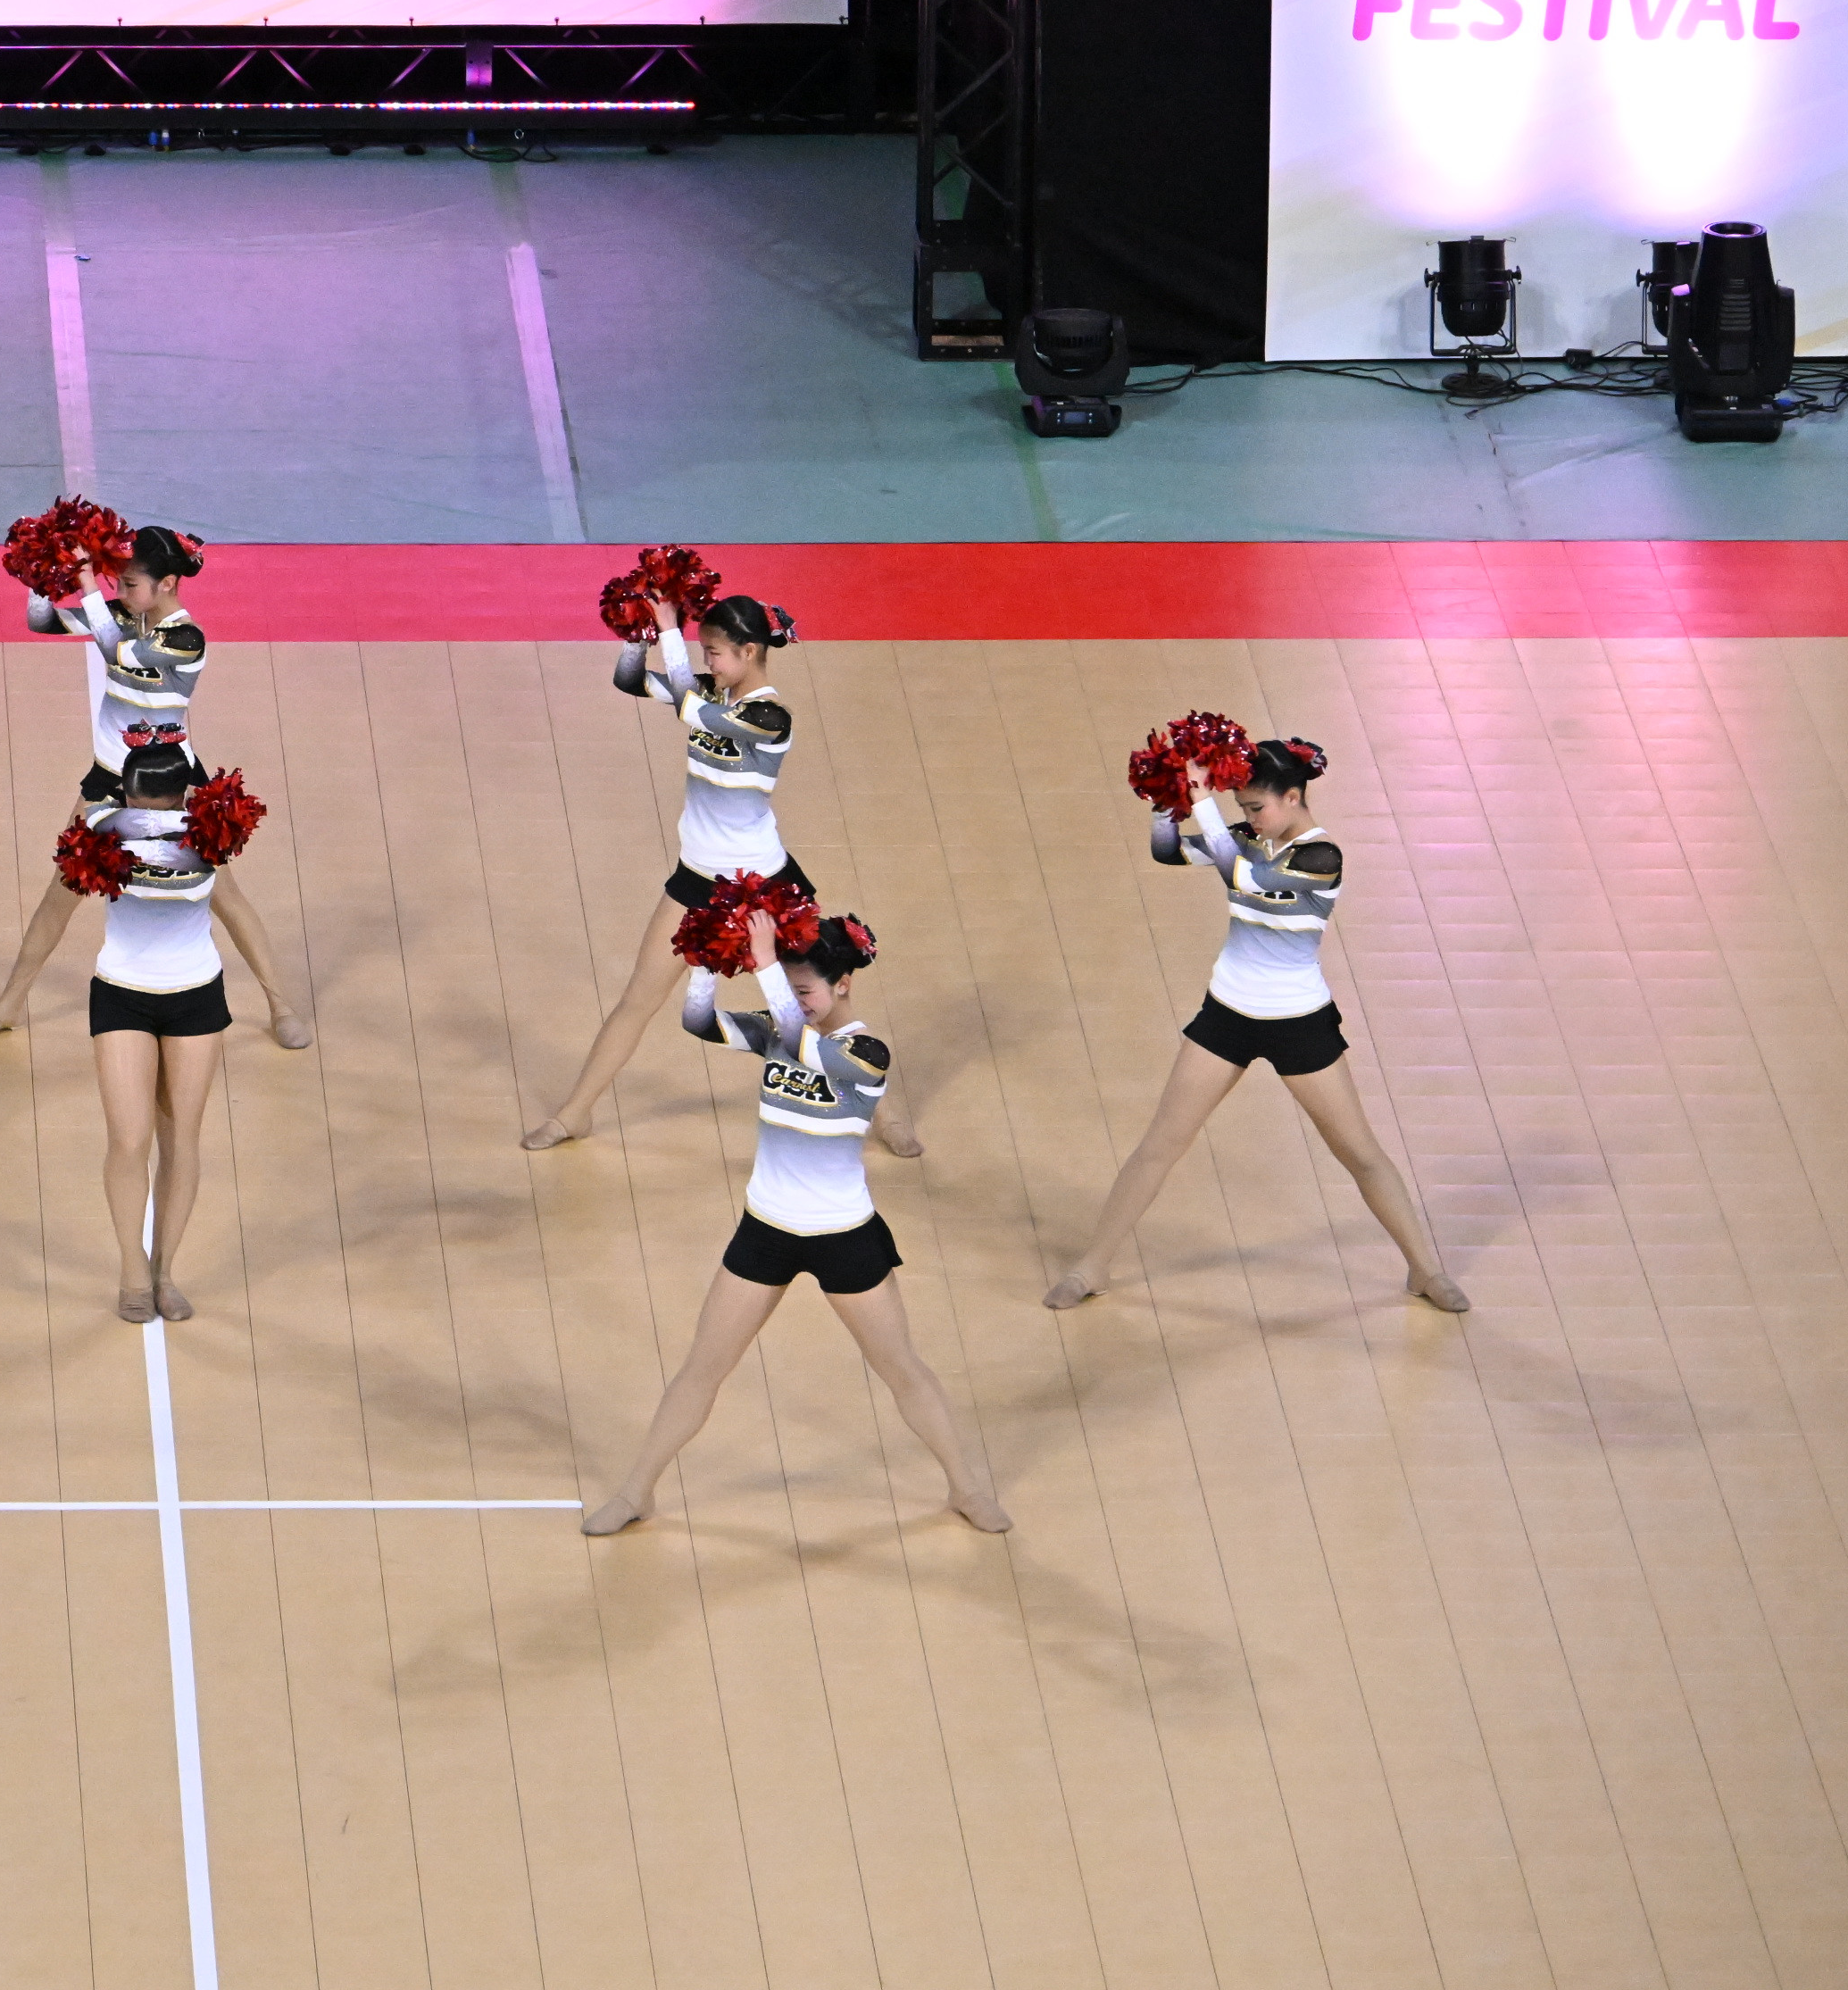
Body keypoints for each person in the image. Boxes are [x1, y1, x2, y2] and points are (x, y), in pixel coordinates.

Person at [581, 907, 1007, 1536]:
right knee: (702, 1368)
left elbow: (805, 1043)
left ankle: (967, 1489)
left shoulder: (865, 1054)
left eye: (805, 990)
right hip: (766, 1231)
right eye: (790, 990)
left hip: (845, 1238)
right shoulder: (780, 1029)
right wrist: (705, 961)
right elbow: (698, 1022)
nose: (797, 1002)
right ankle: (636, 1491)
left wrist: (764, 968)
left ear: (844, 985)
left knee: (903, 1370)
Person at [1046, 737, 1466, 1311]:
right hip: (1227, 1015)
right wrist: (1166, 796)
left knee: (1360, 1153)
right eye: (1242, 808)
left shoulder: (1322, 857)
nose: (1250, 817)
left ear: (1293, 797)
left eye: (1256, 807)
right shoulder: (1248, 837)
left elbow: (1246, 879)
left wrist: (1203, 803)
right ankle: (1091, 1267)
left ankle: (1425, 1270)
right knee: (1159, 1145)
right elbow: (1168, 852)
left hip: (1299, 1024)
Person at [0, 526, 311, 1048]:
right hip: (108, 777)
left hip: (173, 783)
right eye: (116, 583)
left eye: (130, 584)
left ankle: (281, 1006)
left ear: (167, 583)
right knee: (63, 891)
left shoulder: (186, 639)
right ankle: (7, 1004)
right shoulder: (121, 614)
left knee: (223, 894)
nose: (120, 593)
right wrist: (41, 574)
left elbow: (120, 653)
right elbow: (42, 622)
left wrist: (87, 585)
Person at [525, 592, 807, 1150]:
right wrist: (640, 631)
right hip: (695, 880)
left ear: (750, 652)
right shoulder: (710, 690)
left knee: (814, 1004)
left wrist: (671, 628)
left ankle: (884, 1115)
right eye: (703, 652)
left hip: (764, 888)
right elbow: (630, 681)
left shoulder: (769, 718)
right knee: (638, 999)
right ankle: (574, 1113)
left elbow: (692, 710)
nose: (709, 662)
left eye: (716, 652)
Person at [80, 743, 252, 1324]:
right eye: (137, 805)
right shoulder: (102, 831)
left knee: (180, 1140)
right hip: (122, 992)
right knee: (130, 1140)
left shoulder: (213, 831)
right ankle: (132, 1268)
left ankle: (165, 1271)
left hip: (195, 996)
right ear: (124, 795)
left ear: (182, 798)